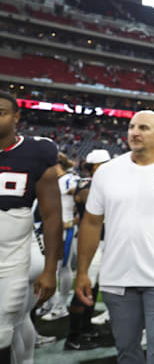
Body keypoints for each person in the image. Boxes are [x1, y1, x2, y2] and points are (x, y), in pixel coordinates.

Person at [75, 110, 154, 364]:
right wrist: (82, 271)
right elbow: (91, 223)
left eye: (143, 128)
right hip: (117, 276)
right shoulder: (107, 172)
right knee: (126, 350)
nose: (134, 132)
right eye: (132, 127)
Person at [0, 91, 63, 363]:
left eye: (1, 111)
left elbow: (52, 216)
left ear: (17, 116)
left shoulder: (37, 152)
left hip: (13, 260)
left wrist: (50, 270)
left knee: (3, 330)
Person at [64, 149, 111, 351]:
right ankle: (74, 336)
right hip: (90, 243)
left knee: (94, 287)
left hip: (102, 242)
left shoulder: (98, 185)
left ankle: (85, 327)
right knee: (85, 288)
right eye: (104, 164)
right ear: (94, 167)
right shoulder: (88, 186)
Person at [42, 152, 80, 322]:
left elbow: (83, 197)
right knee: (50, 267)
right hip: (51, 228)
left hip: (64, 229)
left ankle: (61, 306)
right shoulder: (52, 180)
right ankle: (50, 302)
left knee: (60, 267)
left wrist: (74, 219)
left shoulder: (70, 179)